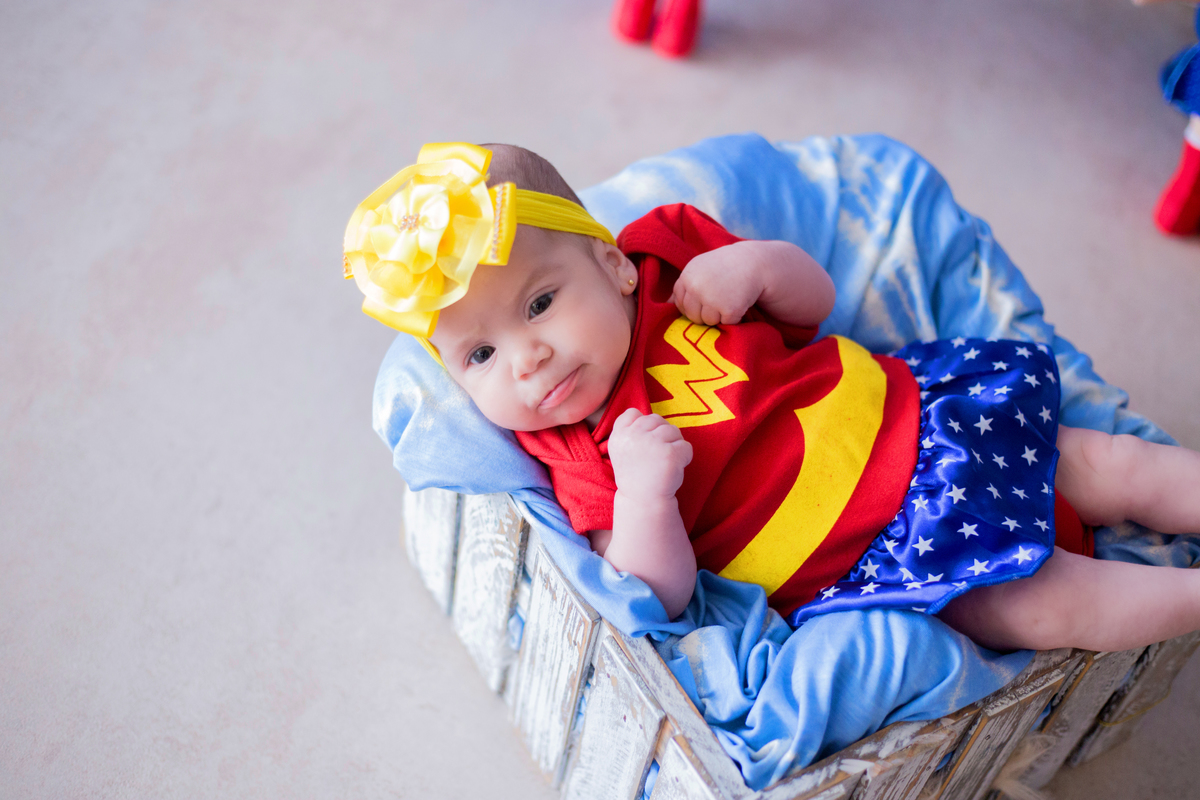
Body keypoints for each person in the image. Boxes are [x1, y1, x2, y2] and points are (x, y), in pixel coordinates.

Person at [345, 141, 1200, 653]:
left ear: (608, 264)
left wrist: (754, 265)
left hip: (915, 412)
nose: (527, 360)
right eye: (481, 354)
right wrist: (648, 498)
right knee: (1037, 604)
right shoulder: (581, 454)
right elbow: (659, 592)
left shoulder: (670, 259)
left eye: (539, 304)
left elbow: (813, 302)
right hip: (872, 549)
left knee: (1100, 458)